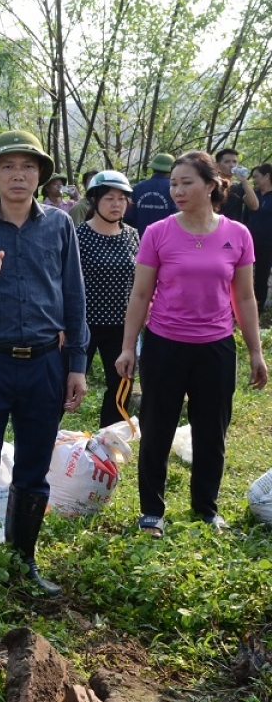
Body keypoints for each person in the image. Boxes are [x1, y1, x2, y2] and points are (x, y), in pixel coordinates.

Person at [0, 129, 88, 597]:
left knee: (32, 468)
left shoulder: (58, 225)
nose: (18, 175)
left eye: (27, 167)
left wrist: (78, 364)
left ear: (40, 175)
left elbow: (73, 296)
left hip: (46, 361)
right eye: (8, 167)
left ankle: (23, 560)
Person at [116, 151, 268, 537]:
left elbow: (245, 298)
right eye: (174, 183)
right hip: (165, 344)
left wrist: (255, 351)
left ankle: (206, 508)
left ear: (212, 185)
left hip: (215, 347)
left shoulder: (237, 234)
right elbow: (139, 294)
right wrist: (127, 346)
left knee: (211, 432)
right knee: (157, 429)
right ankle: (152, 511)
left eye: (187, 182)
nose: (177, 190)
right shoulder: (158, 232)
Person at [75, 171, 139, 427]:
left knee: (121, 388)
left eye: (122, 199)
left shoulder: (133, 235)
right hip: (83, 325)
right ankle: (47, 448)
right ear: (94, 200)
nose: (116, 204)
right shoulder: (78, 235)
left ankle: (108, 447)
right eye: (109, 198)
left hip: (122, 327)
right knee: (64, 387)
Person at [124, 152, 176, 236]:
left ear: (153, 168)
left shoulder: (137, 188)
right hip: (165, 241)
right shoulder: (174, 189)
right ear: (172, 171)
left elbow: (128, 217)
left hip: (139, 241)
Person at [245, 163, 272, 310]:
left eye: (256, 177)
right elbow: (245, 218)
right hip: (248, 242)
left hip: (267, 244)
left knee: (261, 277)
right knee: (243, 276)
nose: (254, 180)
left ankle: (258, 309)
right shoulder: (252, 195)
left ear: (267, 176)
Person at [215, 147, 259, 222]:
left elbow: (254, 206)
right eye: (227, 162)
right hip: (216, 228)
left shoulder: (239, 187)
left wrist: (244, 181)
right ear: (217, 166)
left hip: (234, 230)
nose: (231, 165)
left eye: (234, 162)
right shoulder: (212, 185)